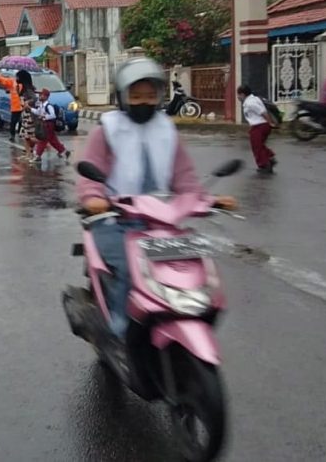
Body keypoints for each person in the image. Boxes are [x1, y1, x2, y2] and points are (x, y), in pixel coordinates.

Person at [76, 58, 235, 340]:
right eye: (136, 96)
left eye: (150, 96)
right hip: (115, 221)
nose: (143, 102)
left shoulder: (167, 131)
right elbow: (91, 173)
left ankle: (184, 315)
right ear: (123, 97)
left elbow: (185, 179)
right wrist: (93, 197)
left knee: (193, 263)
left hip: (160, 223)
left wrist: (208, 200)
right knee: (129, 266)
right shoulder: (107, 131)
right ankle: (118, 330)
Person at [237, 84, 276, 174]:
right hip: (260, 126)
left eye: (238, 95)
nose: (238, 97)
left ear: (242, 94)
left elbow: (263, 112)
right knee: (259, 145)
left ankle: (265, 165)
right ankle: (270, 158)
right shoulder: (254, 99)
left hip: (260, 126)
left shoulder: (250, 103)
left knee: (257, 147)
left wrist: (270, 122)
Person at [31, 89, 70, 162]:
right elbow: (37, 112)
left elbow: (53, 115)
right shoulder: (41, 105)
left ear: (46, 96)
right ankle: (64, 151)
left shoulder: (48, 106)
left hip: (48, 125)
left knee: (43, 139)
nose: (40, 96)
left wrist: (44, 117)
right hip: (45, 124)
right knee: (53, 140)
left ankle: (38, 155)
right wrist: (30, 109)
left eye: (41, 95)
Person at [0, 69, 29, 141]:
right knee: (13, 122)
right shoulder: (12, 82)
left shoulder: (25, 83)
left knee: (23, 121)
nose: (17, 78)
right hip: (15, 107)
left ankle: (21, 134)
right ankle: (12, 135)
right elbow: (3, 80)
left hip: (23, 106)